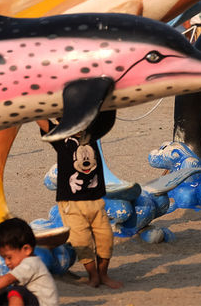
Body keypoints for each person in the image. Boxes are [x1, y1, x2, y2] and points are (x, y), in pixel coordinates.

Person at [37, 113, 121, 289]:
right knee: (81, 242)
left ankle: (103, 274)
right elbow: (43, 122)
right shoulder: (61, 140)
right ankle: (93, 276)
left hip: (96, 201)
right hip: (71, 203)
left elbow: (106, 115)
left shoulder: (93, 135)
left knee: (106, 238)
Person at [0, 217, 59, 306]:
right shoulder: (27, 265)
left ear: (26, 249)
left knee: (16, 291)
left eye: (9, 257)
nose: (7, 262)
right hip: (34, 301)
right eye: (4, 258)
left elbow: (7, 279)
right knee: (7, 291)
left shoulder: (31, 263)